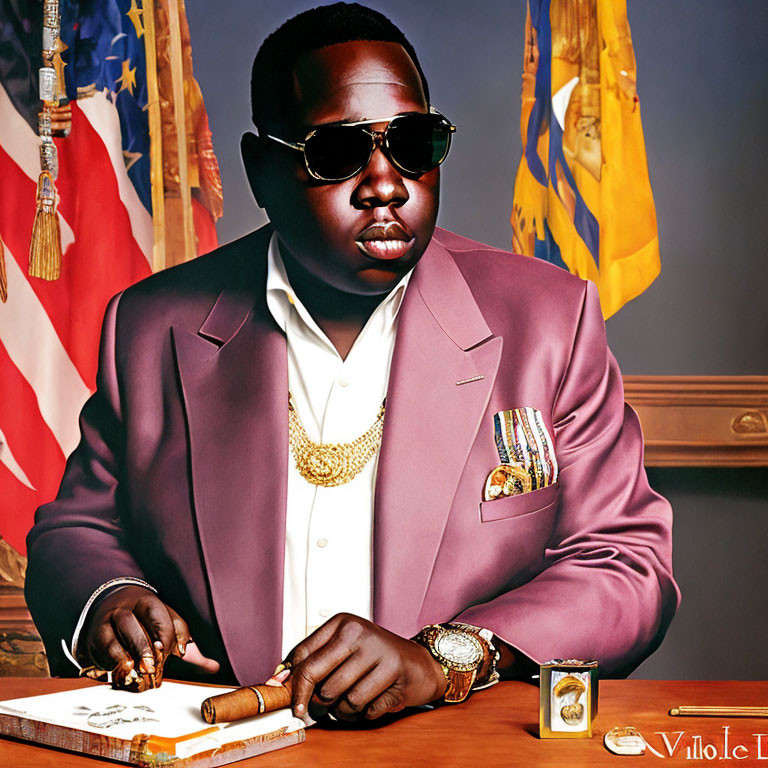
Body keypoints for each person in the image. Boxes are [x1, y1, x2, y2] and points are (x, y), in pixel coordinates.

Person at [26, 2, 678, 723]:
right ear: (260, 172)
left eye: (414, 144)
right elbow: (77, 531)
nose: (386, 184)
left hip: (451, 753)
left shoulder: (547, 320)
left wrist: (444, 658)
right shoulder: (152, 325)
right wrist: (107, 598)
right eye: (336, 153)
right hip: (220, 746)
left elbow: (627, 567)